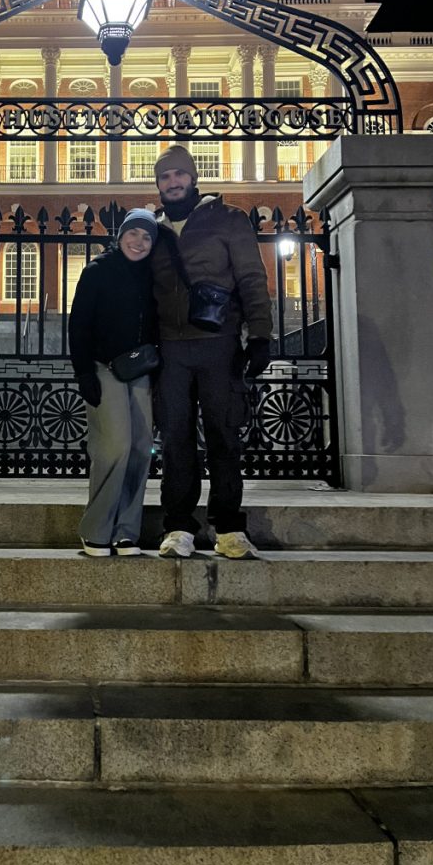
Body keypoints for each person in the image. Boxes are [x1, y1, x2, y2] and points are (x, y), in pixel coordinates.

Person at [150, 145, 272, 560]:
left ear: (193, 178)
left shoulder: (228, 219)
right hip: (170, 348)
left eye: (179, 175)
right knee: (175, 440)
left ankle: (229, 527)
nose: (173, 182)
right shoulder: (153, 228)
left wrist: (259, 335)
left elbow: (252, 277)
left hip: (218, 344)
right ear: (158, 184)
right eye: (165, 177)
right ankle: (179, 526)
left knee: (224, 435)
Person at [69, 209, 159, 557]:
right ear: (120, 236)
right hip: (103, 367)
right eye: (133, 234)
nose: (139, 242)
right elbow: (78, 326)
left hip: (139, 369)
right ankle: (96, 528)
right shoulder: (98, 272)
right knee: (116, 445)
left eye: (147, 236)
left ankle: (125, 530)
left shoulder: (153, 277)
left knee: (141, 448)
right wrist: (83, 374)